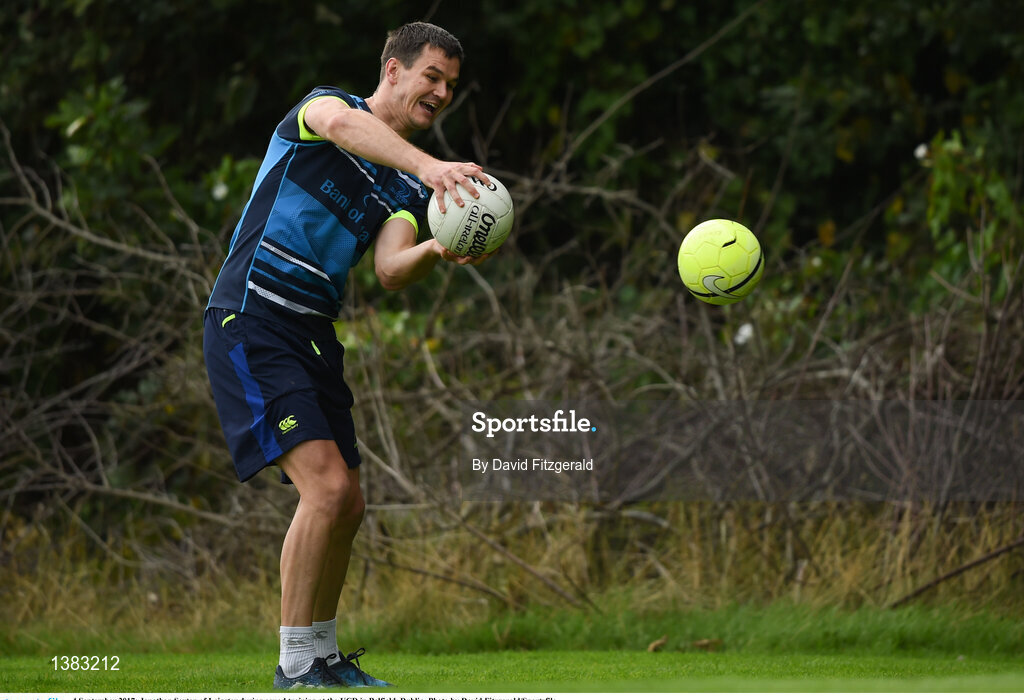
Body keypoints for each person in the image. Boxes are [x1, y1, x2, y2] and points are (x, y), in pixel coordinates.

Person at [202, 21, 491, 689]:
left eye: (451, 84)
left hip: (311, 336)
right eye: (432, 77)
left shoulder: (403, 192)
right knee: (326, 489)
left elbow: (390, 269)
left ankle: (325, 660)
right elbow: (338, 126)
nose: (443, 92)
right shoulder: (324, 110)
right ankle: (295, 665)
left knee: (351, 501)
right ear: (393, 70)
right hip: (252, 320)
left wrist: (437, 249)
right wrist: (432, 166)